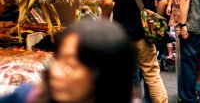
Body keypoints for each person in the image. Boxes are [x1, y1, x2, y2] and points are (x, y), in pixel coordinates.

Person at [102, 0, 169, 103]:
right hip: (145, 36)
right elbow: (163, 1)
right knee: (152, 75)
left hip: (121, 35)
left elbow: (108, 3)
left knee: (128, 76)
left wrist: (104, 24)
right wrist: (153, 21)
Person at [0, 19, 135, 103]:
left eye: (70, 66)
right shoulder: (28, 97)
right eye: (58, 59)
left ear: (105, 77)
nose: (55, 72)